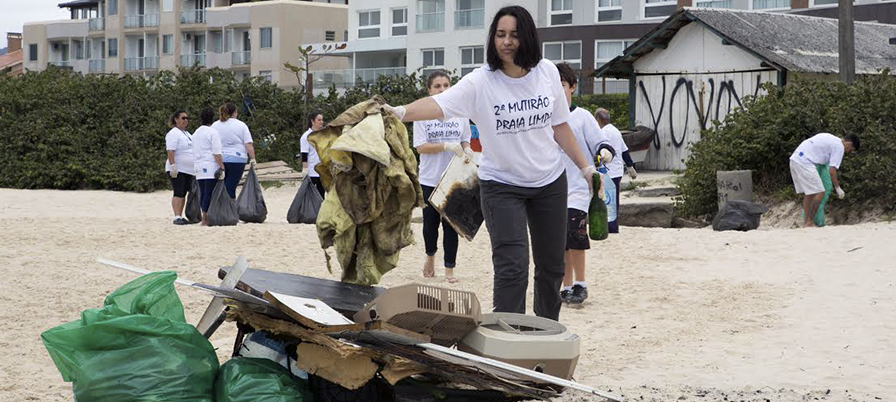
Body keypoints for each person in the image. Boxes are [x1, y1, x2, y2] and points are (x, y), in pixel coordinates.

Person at [384, 6, 597, 321]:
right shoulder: (480, 82)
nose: (507, 42)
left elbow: (560, 127)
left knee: (552, 267)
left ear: (527, 37)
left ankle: (544, 332)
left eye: (514, 34)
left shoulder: (547, 72)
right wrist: (399, 111)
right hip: (501, 185)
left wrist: (585, 168)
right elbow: (439, 105)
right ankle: (508, 338)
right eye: (500, 35)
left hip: (549, 183)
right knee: (512, 266)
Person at [555, 63, 613, 306]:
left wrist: (605, 153)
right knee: (560, 242)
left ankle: (581, 283)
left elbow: (602, 142)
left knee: (575, 236)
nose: (557, 92)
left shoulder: (582, 117)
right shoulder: (543, 118)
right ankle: (566, 286)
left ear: (573, 87)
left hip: (578, 189)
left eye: (562, 86)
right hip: (552, 190)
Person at [413, 70, 474, 283]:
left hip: (454, 178)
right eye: (437, 86)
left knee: (451, 225)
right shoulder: (422, 114)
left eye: (446, 85)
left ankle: (450, 269)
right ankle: (430, 257)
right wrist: (445, 145)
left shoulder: (460, 112)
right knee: (430, 225)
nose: (442, 90)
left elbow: (466, 139)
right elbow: (420, 147)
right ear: (430, 90)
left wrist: (467, 149)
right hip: (430, 178)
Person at [789, 133, 859, 228]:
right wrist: (838, 188)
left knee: (810, 194)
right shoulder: (839, 147)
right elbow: (832, 171)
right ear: (849, 144)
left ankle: (807, 223)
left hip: (795, 159)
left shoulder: (831, 138)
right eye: (851, 149)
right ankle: (809, 222)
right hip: (805, 162)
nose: (849, 151)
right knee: (820, 192)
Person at [594, 108, 638, 234]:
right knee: (613, 199)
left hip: (607, 171)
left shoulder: (601, 132)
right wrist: (630, 166)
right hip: (617, 171)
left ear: (598, 119)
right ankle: (613, 226)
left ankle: (610, 227)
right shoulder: (616, 131)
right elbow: (624, 151)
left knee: (606, 200)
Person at [211, 103, 255, 199]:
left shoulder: (215, 125)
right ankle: (230, 208)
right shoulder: (241, 125)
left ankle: (219, 206)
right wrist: (252, 158)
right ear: (234, 113)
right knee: (231, 186)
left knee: (220, 184)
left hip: (220, 159)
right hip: (238, 159)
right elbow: (248, 144)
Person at [192, 108, 225, 226]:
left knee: (203, 192)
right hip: (210, 166)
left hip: (198, 166)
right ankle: (206, 218)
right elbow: (217, 153)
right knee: (209, 192)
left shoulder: (196, 133)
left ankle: (204, 215)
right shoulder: (213, 132)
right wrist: (222, 166)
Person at [164, 110, 195, 225]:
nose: (186, 120)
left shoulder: (187, 134)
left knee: (183, 193)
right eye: (183, 118)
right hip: (178, 168)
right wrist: (173, 165)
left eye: (187, 118)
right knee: (178, 192)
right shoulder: (173, 133)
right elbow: (170, 150)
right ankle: (176, 216)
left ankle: (180, 216)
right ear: (176, 119)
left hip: (188, 169)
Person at [300, 110, 326, 196]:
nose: (321, 122)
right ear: (312, 121)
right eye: (319, 120)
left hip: (322, 170)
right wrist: (305, 169)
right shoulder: (306, 136)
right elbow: (304, 154)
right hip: (312, 171)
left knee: (321, 195)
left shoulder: (322, 135)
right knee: (311, 195)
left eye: (322, 120)